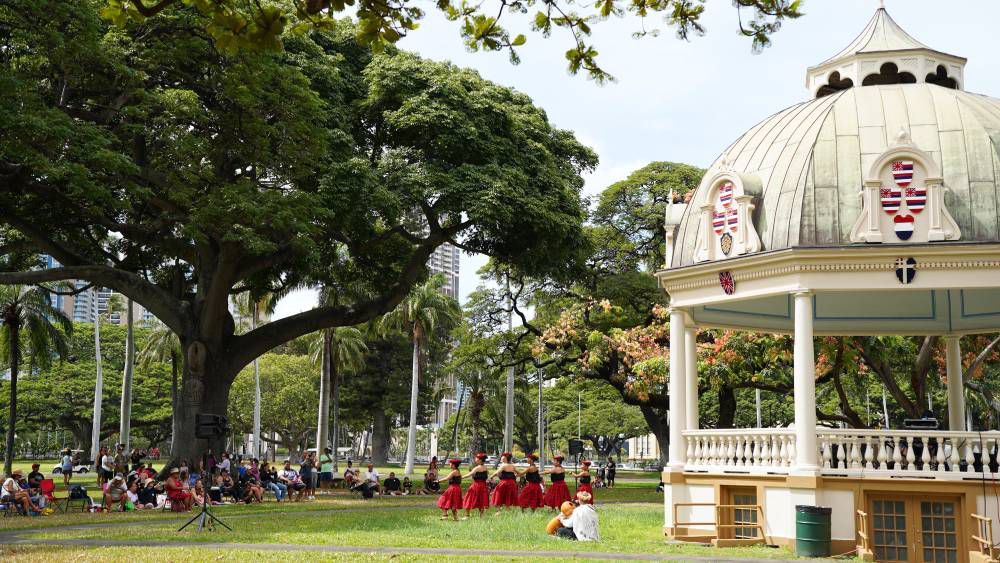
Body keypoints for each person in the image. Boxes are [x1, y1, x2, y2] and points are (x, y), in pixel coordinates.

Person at [462, 452, 490, 518]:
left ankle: (467, 515)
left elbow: (469, 474)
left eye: (476, 458)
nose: (475, 459)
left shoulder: (477, 468)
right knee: (481, 500)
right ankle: (481, 516)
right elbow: (487, 475)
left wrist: (461, 477)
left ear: (480, 460)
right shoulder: (485, 467)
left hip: (476, 486)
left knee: (468, 498)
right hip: (483, 486)